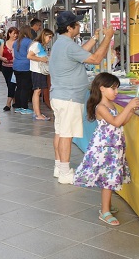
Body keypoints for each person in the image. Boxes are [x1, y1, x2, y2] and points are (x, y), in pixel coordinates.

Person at [49, 11, 114, 184]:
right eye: (76, 24)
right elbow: (95, 58)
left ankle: (59, 167)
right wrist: (108, 38)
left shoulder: (61, 43)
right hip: (68, 97)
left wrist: (95, 37)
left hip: (60, 96)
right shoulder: (67, 45)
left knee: (60, 132)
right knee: (66, 135)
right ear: (70, 28)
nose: (79, 26)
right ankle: (64, 173)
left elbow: (81, 53)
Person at [73, 73, 138, 226]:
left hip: (114, 146)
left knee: (110, 177)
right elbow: (115, 122)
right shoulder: (101, 107)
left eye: (117, 89)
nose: (116, 92)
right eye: (113, 88)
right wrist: (128, 106)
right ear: (102, 88)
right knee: (108, 179)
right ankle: (104, 211)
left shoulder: (110, 105)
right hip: (105, 147)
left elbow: (121, 122)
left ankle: (106, 205)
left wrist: (130, 112)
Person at [27, 28, 54, 121]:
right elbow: (29, 56)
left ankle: (36, 112)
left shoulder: (41, 46)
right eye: (49, 37)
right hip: (37, 71)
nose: (50, 39)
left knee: (37, 91)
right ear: (44, 35)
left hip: (40, 71)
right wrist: (42, 59)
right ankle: (38, 114)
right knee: (37, 91)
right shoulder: (36, 45)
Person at [12, 25, 34, 115]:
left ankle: (18, 105)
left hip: (16, 66)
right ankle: (24, 107)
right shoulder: (29, 42)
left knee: (19, 86)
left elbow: (13, 55)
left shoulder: (16, 42)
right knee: (25, 88)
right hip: (26, 66)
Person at [1, 27, 18, 111]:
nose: (15, 35)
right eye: (14, 33)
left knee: (12, 84)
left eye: (16, 33)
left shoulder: (18, 43)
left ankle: (8, 104)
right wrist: (2, 58)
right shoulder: (4, 44)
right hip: (5, 67)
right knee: (9, 84)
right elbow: (0, 55)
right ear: (9, 34)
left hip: (15, 67)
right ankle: (14, 100)